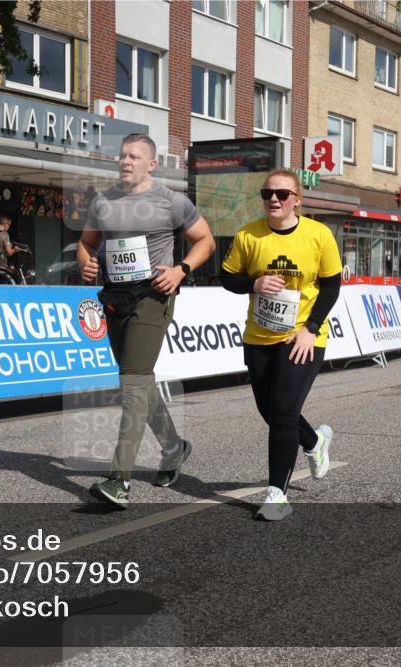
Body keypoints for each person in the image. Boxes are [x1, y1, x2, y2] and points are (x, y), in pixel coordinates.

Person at [78, 133, 215, 508]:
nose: (125, 161)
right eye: (122, 156)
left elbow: (205, 240)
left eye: (134, 157)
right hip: (115, 300)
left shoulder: (171, 201)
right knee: (138, 381)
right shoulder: (103, 202)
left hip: (153, 298)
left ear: (151, 164)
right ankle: (174, 448)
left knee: (133, 384)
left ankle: (118, 480)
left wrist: (181, 269)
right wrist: (85, 262)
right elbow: (87, 242)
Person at [219, 169, 342, 521]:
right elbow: (227, 277)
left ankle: (277, 494)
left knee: (284, 411)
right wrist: (253, 284)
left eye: (283, 194)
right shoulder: (248, 235)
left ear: (297, 201)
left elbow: (332, 287)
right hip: (259, 337)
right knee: (270, 411)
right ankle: (315, 442)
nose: (274, 199)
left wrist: (311, 327)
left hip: (303, 337)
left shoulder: (318, 235)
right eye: (268, 193)